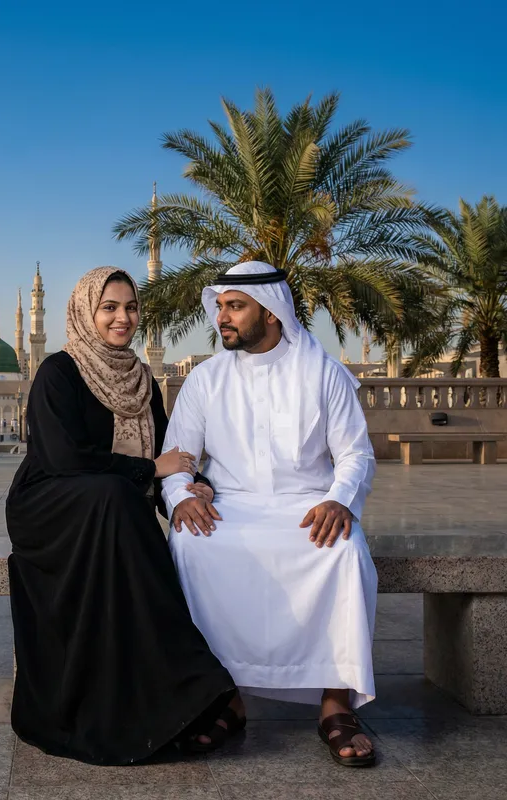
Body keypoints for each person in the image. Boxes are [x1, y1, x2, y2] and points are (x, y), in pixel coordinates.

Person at [6, 266, 236, 766]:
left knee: (121, 504)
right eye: (109, 307)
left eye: (130, 307)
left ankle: (184, 696)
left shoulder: (141, 380)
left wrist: (185, 491)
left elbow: (164, 464)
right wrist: (151, 468)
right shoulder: (59, 372)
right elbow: (64, 459)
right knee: (113, 496)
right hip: (47, 507)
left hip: (110, 510)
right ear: (87, 313)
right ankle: (190, 686)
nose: (122, 318)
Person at [162, 261, 378, 767]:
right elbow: (178, 458)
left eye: (235, 306)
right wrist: (180, 499)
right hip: (230, 508)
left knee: (342, 550)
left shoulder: (322, 373)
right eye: (219, 307)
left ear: (273, 313)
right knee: (191, 544)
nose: (223, 318)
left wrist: (339, 499)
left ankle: (335, 703)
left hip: (308, 508)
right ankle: (225, 698)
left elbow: (356, 455)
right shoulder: (206, 380)